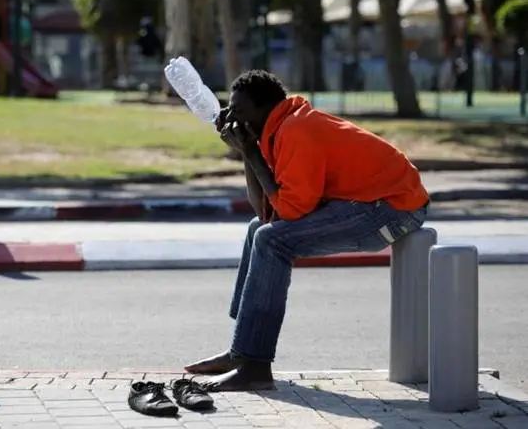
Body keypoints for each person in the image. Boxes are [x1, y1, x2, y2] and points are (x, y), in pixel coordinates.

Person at [184, 70, 430, 392]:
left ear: (265, 108)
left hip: (394, 208)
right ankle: (241, 351)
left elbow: (290, 211)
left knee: (271, 240)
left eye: (240, 110)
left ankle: (255, 365)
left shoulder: (296, 130)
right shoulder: (277, 130)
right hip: (367, 201)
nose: (232, 117)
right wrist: (248, 151)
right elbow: (265, 212)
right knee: (258, 229)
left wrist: (251, 151)